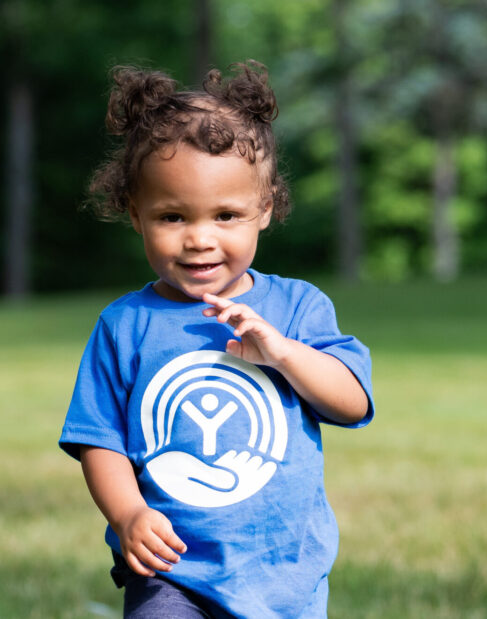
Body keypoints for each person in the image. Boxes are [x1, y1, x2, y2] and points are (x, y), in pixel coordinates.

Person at [59, 60, 374, 618]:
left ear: (265, 210)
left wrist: (282, 352)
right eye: (173, 217)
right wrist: (127, 514)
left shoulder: (297, 307)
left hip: (284, 570)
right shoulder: (124, 325)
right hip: (172, 570)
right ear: (136, 214)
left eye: (226, 215)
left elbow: (351, 404)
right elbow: (97, 439)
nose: (200, 239)